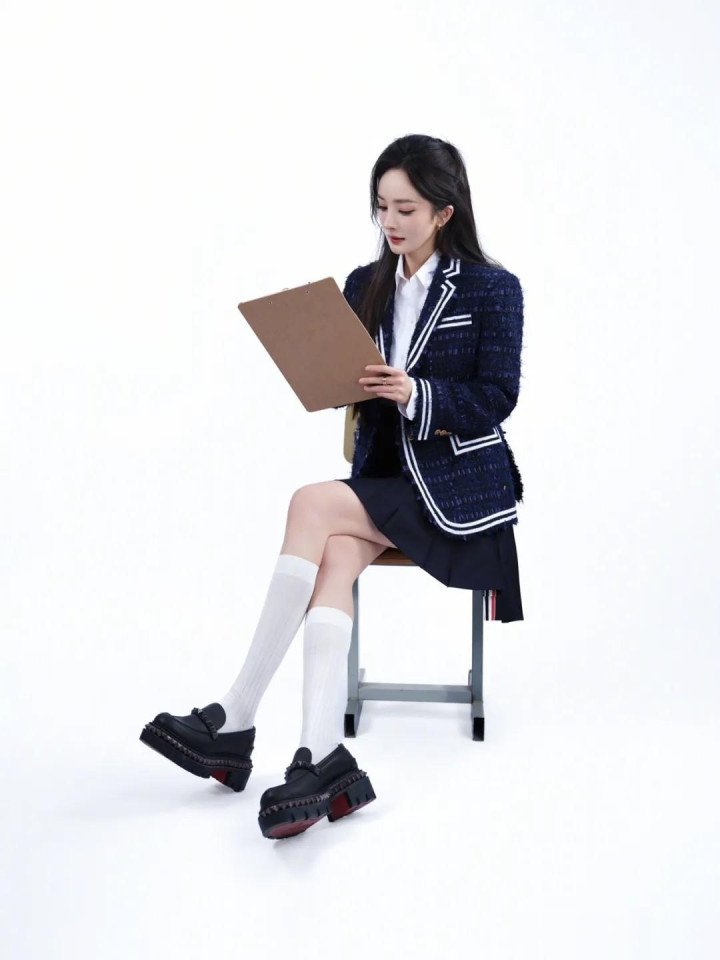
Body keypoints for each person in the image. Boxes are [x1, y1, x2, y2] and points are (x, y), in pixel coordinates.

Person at [139, 134, 525, 841]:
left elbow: (499, 396)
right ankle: (320, 758)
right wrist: (332, 373)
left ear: (444, 212)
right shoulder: (364, 283)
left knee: (309, 504)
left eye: (406, 208)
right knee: (336, 556)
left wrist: (416, 393)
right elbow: (352, 385)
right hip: (382, 481)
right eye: (382, 206)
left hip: (456, 492)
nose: (390, 222)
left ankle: (236, 716)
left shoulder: (492, 289)